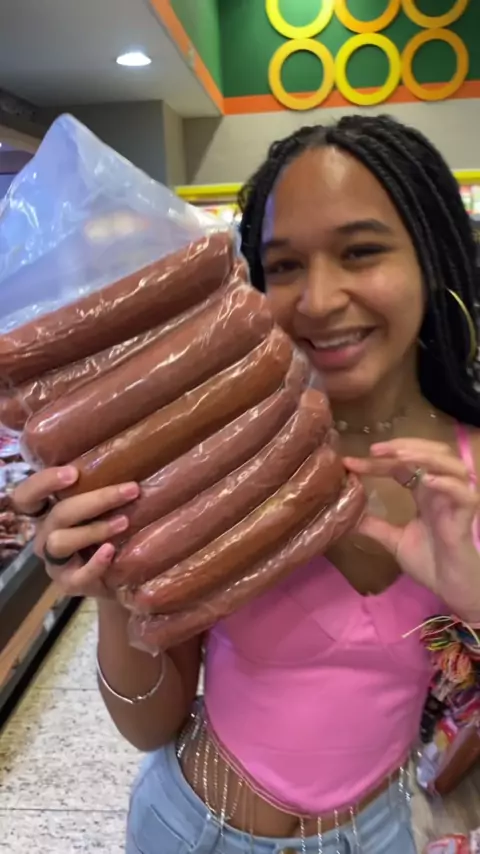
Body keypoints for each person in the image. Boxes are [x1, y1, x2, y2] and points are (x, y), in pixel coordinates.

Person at [14, 115, 480, 854]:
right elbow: (149, 723)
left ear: (432, 258)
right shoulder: (218, 444)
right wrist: (110, 595)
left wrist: (472, 599)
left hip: (377, 836)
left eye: (360, 251)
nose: (318, 298)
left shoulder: (468, 476)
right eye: (284, 265)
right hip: (185, 827)